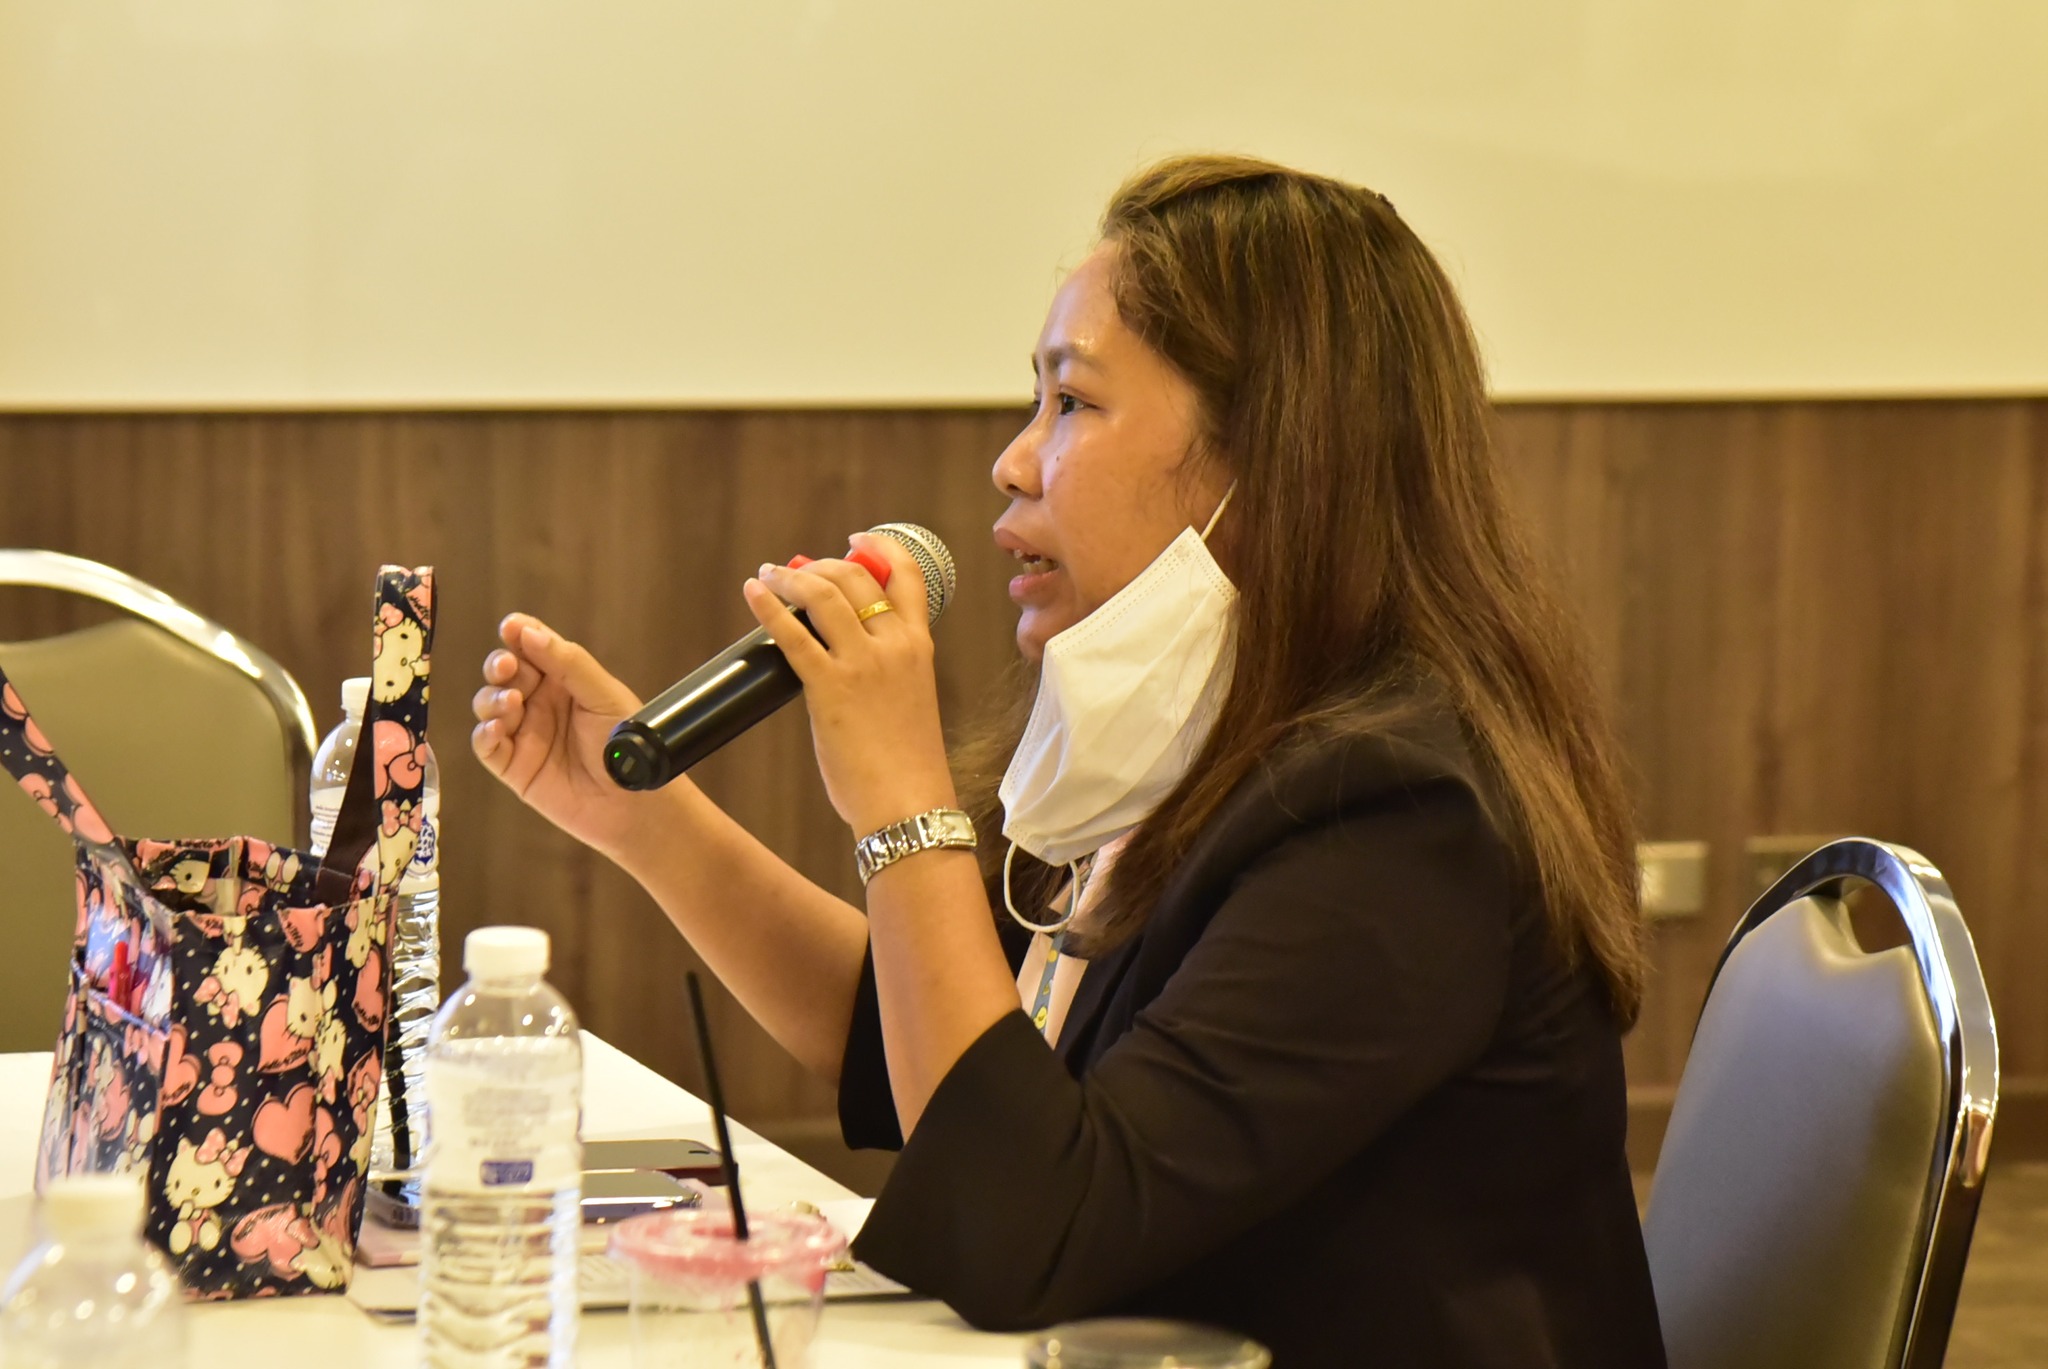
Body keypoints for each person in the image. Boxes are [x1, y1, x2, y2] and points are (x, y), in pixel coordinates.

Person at [471, 154, 1668, 1367]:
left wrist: (901, 800)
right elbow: (932, 1061)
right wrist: (650, 822)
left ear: (1270, 456)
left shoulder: (1396, 815)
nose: (1012, 459)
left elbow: (1027, 1226)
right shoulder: (1181, 732)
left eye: (1071, 404)